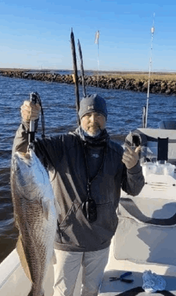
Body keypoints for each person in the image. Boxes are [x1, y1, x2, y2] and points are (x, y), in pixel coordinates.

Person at [13, 93, 145, 296]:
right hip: (67, 241)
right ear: (80, 117)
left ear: (106, 118)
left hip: (100, 241)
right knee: (63, 292)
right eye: (88, 115)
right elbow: (23, 153)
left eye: (99, 115)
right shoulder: (61, 145)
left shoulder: (117, 153)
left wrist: (134, 168)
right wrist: (27, 123)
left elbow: (134, 189)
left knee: (91, 291)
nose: (93, 120)